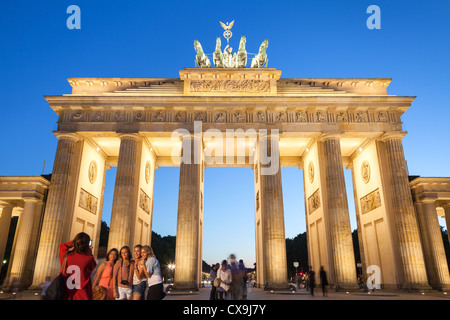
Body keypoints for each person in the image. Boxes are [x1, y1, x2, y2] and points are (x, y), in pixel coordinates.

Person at [59, 232, 97, 300]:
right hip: (81, 292)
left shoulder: (66, 255)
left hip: (66, 291)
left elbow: (62, 246)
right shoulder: (88, 258)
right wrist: (89, 251)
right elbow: (93, 266)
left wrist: (76, 242)